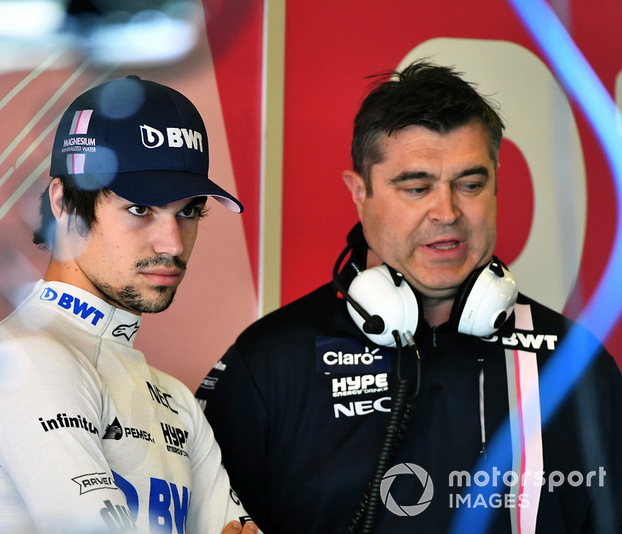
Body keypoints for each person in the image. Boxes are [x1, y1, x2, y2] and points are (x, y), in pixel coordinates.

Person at [196, 61, 622, 533]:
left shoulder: (577, 365)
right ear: (360, 192)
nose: (447, 212)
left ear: (496, 184)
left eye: (470, 184)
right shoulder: (270, 361)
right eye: (417, 187)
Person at [0, 75, 259, 534]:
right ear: (64, 203)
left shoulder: (175, 400)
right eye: (140, 209)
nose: (172, 243)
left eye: (188, 211)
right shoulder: (26, 357)